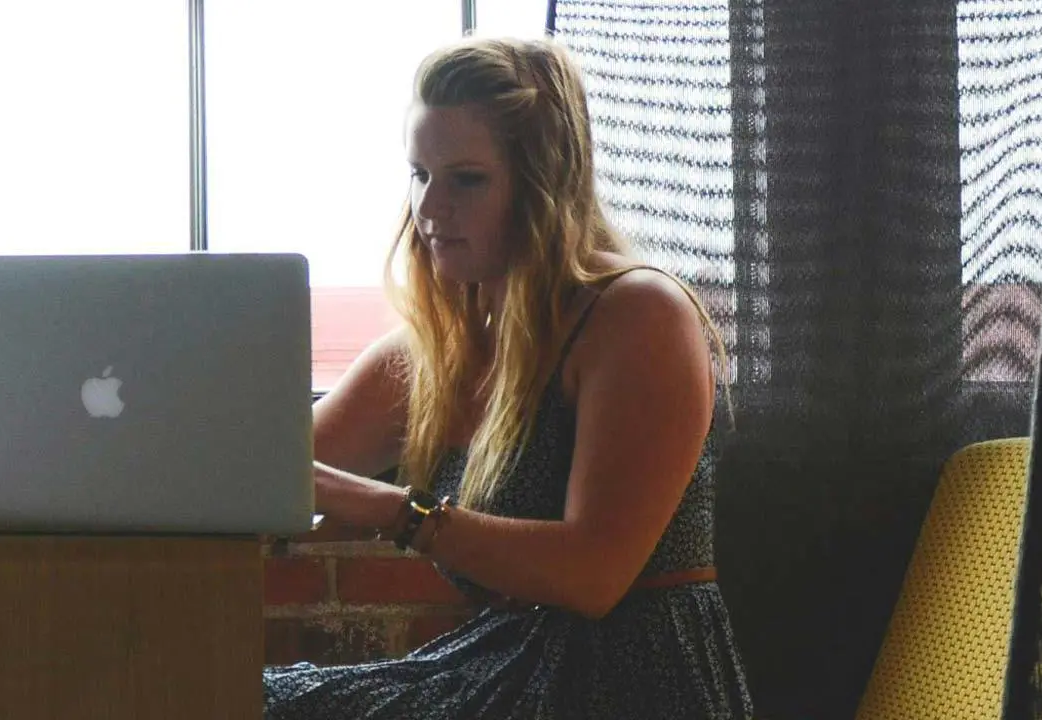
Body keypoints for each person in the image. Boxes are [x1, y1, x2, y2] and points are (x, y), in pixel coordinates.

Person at [262, 37, 753, 719]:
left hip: (635, 686)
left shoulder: (638, 314)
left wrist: (388, 507)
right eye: (419, 174)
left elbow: (593, 575)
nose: (431, 210)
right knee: (234, 694)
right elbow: (266, 473)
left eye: (466, 179)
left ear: (541, 185)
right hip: (506, 666)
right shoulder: (438, 350)